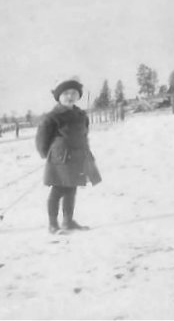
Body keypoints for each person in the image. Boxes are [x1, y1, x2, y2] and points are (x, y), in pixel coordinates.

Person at [35, 79, 102, 234]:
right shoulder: (52, 117)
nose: (70, 96)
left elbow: (84, 134)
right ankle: (53, 224)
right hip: (60, 159)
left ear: (78, 96)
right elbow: (42, 139)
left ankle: (68, 222)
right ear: (59, 97)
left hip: (78, 157)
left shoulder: (81, 115)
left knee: (72, 189)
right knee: (58, 189)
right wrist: (47, 155)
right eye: (65, 94)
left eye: (73, 93)